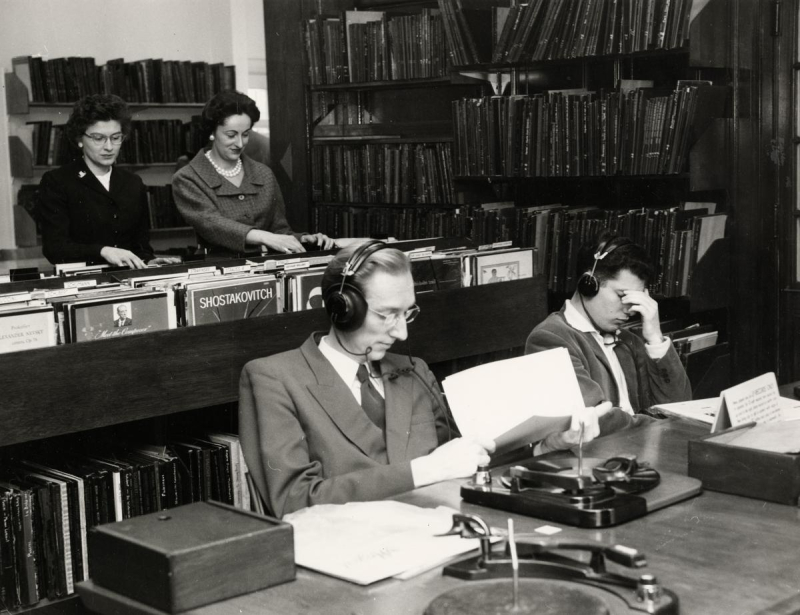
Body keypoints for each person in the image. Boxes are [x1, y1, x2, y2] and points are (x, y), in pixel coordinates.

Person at [239, 242, 609, 517]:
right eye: (386, 315)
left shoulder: (414, 371)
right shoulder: (274, 378)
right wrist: (424, 470)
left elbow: (465, 462)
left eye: (407, 313)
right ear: (342, 309)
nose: (400, 333)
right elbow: (292, 502)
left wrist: (548, 446)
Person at [525, 232, 692, 447]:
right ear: (589, 284)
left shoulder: (630, 340)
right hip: (598, 461)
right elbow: (598, 420)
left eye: (636, 298)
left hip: (639, 454)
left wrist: (655, 339)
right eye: (622, 295)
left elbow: (681, 406)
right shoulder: (550, 338)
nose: (630, 309)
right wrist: (661, 425)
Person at [172, 90, 335, 256]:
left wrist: (302, 240)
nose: (240, 143)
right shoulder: (188, 177)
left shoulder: (263, 173)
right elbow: (211, 223)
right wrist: (264, 237)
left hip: (267, 268)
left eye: (246, 134)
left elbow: (279, 231)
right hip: (219, 271)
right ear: (212, 133)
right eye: (231, 135)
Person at [35, 94, 178, 269]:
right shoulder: (57, 182)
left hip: (129, 279)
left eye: (116, 137)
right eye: (98, 138)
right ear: (80, 139)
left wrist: (149, 260)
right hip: (84, 282)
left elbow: (140, 246)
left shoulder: (133, 182)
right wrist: (103, 251)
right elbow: (54, 249)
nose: (109, 147)